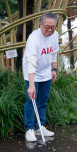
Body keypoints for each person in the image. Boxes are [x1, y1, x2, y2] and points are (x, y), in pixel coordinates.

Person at [22, 12, 59, 142]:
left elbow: (54, 53)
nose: (50, 29)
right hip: (31, 72)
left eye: (53, 26)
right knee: (31, 100)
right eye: (47, 26)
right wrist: (31, 85)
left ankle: (39, 126)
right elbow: (31, 63)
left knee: (43, 99)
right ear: (41, 24)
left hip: (45, 72)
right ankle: (29, 129)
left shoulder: (55, 35)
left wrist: (53, 69)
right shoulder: (33, 38)